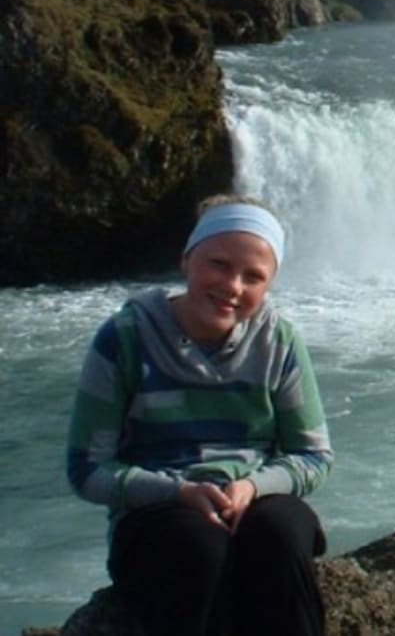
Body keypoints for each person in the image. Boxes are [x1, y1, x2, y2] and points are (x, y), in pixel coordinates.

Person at [65, 195, 332, 636]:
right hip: (157, 513)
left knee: (282, 533)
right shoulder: (124, 339)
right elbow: (86, 469)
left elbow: (314, 456)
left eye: (253, 277)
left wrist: (252, 486)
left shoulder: (279, 342)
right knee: (199, 546)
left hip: (252, 497)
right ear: (187, 259)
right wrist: (179, 492)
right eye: (220, 264)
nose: (232, 286)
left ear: (269, 286)